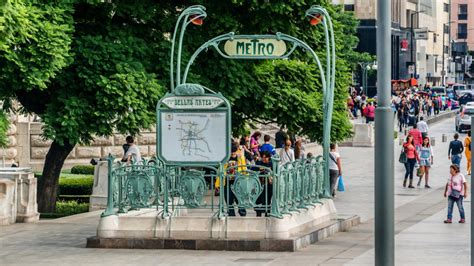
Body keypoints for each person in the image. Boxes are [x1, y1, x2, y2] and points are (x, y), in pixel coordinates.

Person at [222, 144, 247, 217]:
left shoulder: (240, 157)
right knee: (228, 198)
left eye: (234, 152)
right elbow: (221, 169)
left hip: (238, 182)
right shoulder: (226, 158)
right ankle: (231, 213)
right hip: (227, 181)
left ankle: (242, 211)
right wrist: (218, 183)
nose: (233, 153)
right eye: (231, 152)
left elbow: (244, 168)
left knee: (239, 197)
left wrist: (245, 179)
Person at [253, 151, 273, 217]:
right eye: (263, 157)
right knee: (258, 200)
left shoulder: (271, 164)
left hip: (269, 185)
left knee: (268, 199)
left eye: (265, 157)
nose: (264, 159)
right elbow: (252, 169)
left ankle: (267, 213)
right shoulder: (259, 163)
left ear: (269, 157)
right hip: (260, 185)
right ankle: (258, 214)